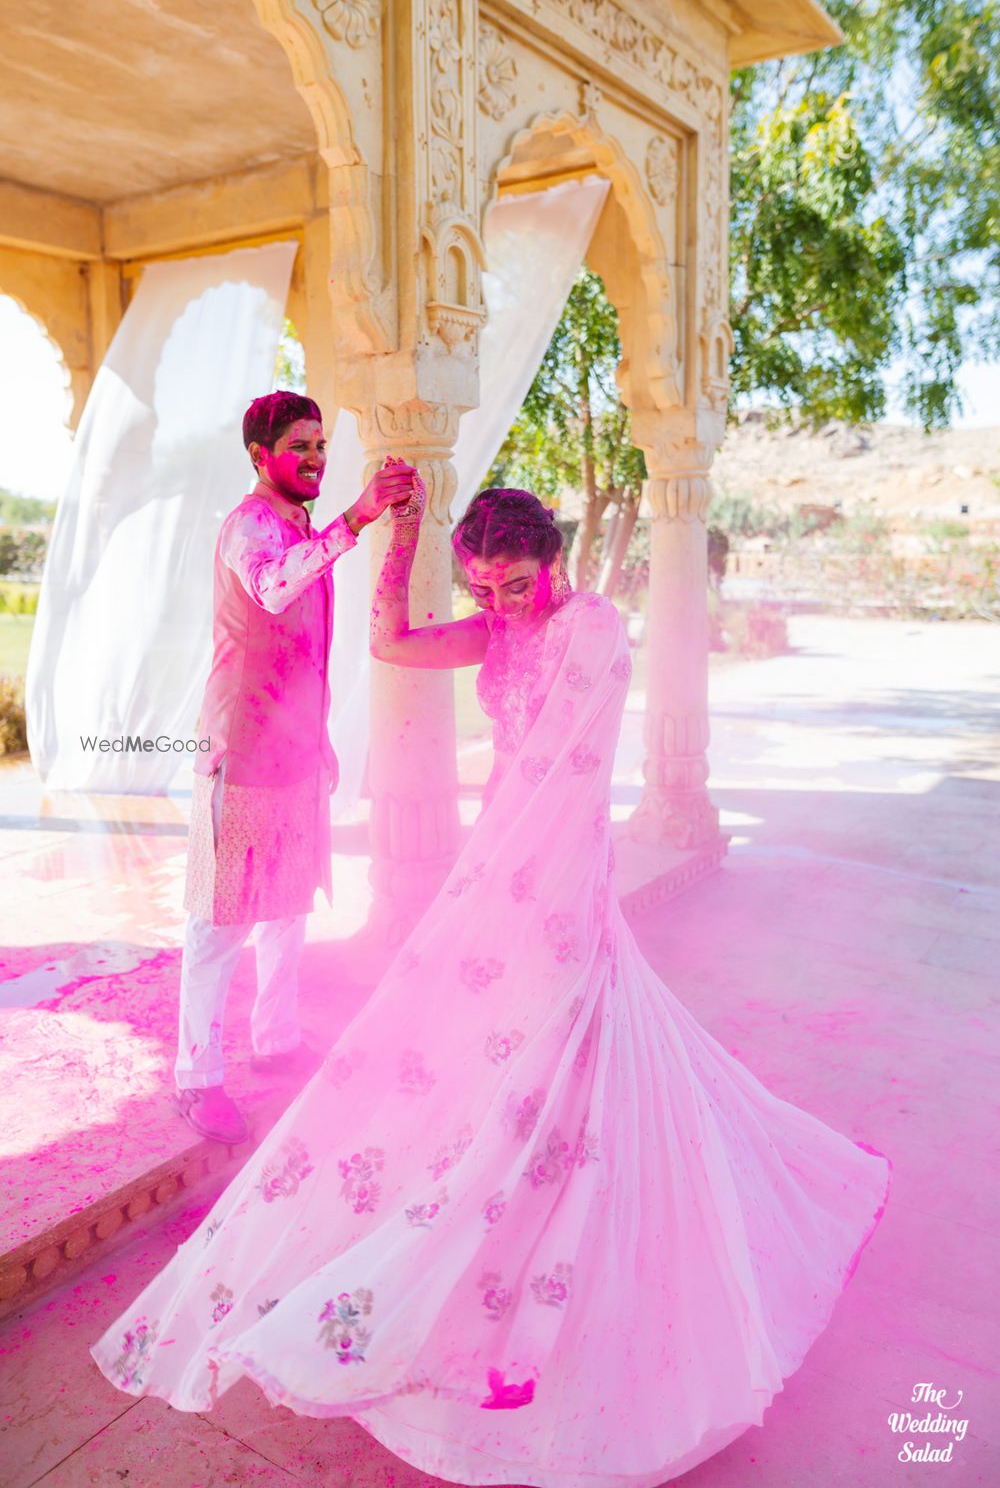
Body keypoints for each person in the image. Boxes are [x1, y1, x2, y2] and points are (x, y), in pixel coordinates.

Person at [92, 485, 891, 1487]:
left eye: (515, 581)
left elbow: (566, 772)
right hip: (501, 863)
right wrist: (407, 538)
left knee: (549, 1049)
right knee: (491, 1053)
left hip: (553, 873)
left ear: (552, 561)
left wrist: (493, 893)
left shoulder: (592, 628)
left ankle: (530, 1254)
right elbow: (388, 643)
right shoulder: (497, 628)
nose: (501, 602)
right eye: (482, 585)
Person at [174, 390, 416, 1144]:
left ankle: (275, 1040)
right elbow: (276, 590)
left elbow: (303, 646)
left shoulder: (299, 524)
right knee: (221, 923)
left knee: (287, 908)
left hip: (296, 750)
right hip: (241, 753)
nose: (314, 458)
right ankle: (196, 1077)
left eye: (319, 445)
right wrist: (359, 517)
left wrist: (321, 736)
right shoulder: (249, 526)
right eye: (299, 446)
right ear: (259, 456)